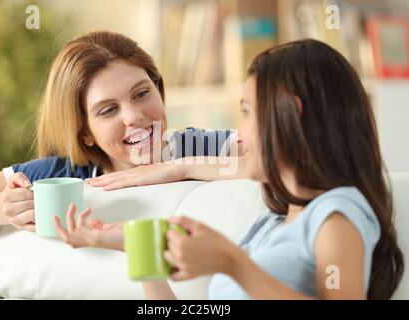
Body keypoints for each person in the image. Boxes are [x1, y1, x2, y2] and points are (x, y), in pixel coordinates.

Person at [55, 39, 404, 299]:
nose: (239, 132)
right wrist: (138, 246)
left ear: (291, 114)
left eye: (247, 111)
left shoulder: (335, 213)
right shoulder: (272, 223)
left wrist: (233, 263)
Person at [0, 31, 244, 233]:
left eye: (142, 93)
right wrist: (1, 207)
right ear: (85, 133)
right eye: (108, 110)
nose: (135, 116)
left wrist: (180, 169)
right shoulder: (63, 176)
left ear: (158, 88)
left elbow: (285, 161)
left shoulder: (196, 147)